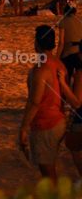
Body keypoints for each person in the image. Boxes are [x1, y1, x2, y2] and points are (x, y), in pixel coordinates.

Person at [19, 25, 67, 181]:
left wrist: (24, 127)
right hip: (59, 120)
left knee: (48, 173)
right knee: (50, 165)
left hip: (46, 124)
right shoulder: (59, 64)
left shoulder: (41, 69)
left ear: (37, 44)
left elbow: (35, 102)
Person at [59, 6, 82, 73]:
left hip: (69, 53)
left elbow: (61, 42)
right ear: (74, 12)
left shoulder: (63, 21)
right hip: (80, 51)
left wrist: (57, 57)